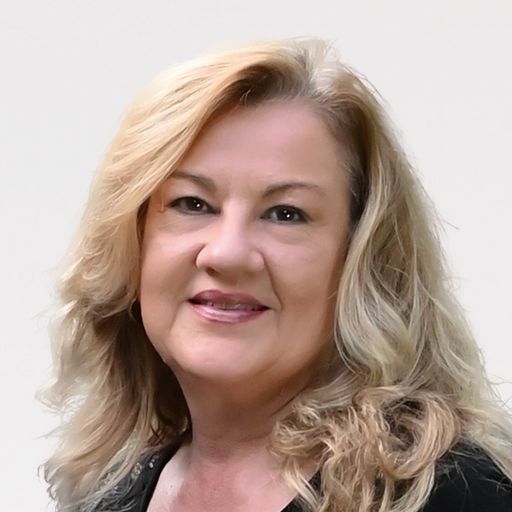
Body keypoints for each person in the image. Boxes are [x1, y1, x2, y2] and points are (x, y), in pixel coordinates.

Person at [41, 38, 512, 512]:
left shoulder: (457, 494)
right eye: (193, 203)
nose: (227, 253)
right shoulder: (102, 497)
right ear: (133, 240)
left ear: (362, 258)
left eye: (286, 213)